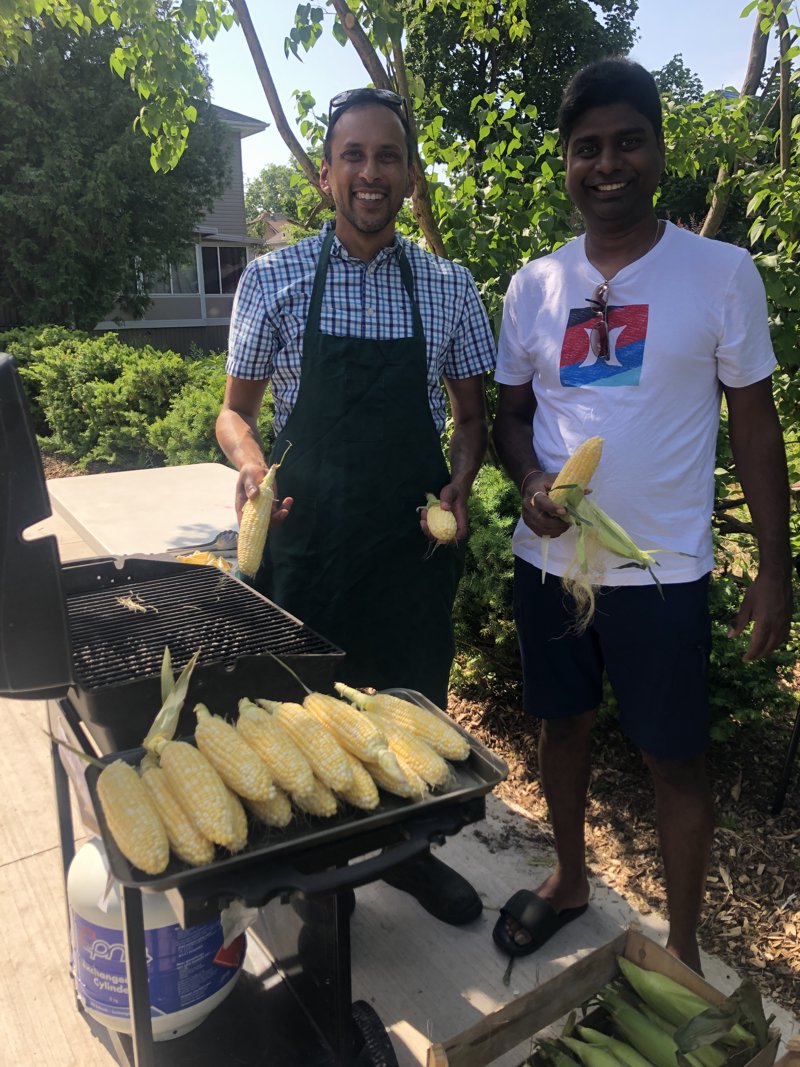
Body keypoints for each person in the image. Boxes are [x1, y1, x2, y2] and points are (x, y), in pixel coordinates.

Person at [491, 58, 792, 971]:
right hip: (552, 566)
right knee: (562, 727)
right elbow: (510, 416)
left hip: (663, 572)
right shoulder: (534, 285)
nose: (608, 164)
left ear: (659, 151)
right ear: (567, 162)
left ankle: (686, 946)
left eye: (628, 142)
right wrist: (532, 480)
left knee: (675, 760)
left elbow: (754, 420)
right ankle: (571, 877)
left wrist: (776, 568)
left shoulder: (720, 273)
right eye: (588, 148)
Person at [216, 87, 496, 925]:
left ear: (411, 177)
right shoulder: (274, 277)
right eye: (353, 156)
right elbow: (234, 410)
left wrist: (462, 477)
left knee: (410, 717)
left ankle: (408, 857)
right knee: (306, 724)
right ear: (327, 174)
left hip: (408, 554)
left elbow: (473, 417)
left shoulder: (449, 288)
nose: (371, 173)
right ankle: (317, 879)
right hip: (307, 552)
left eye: (388, 157)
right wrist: (251, 459)